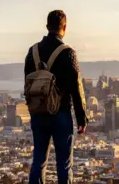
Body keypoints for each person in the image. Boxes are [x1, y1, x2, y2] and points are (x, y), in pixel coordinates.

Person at [24, 10, 88, 184]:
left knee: (38, 161)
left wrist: (33, 110)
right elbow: (76, 87)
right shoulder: (68, 53)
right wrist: (82, 118)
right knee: (64, 164)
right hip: (61, 113)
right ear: (64, 27)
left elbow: (27, 85)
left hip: (38, 113)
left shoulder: (33, 51)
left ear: (47, 27)